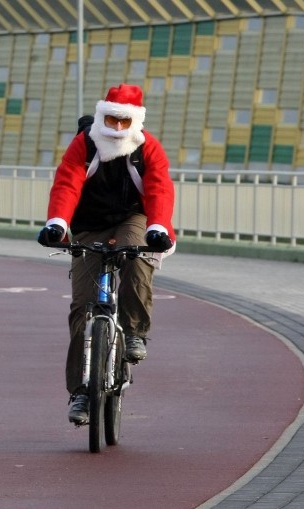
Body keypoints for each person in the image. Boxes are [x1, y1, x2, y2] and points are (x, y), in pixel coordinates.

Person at [36, 83, 176, 426]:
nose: (115, 129)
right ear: (102, 116)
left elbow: (159, 188)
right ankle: (82, 391)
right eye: (111, 120)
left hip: (133, 216)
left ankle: (133, 332)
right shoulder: (84, 144)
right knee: (82, 308)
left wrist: (158, 227)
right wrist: (57, 224)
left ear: (134, 123)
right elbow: (67, 183)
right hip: (89, 223)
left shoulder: (148, 148)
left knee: (135, 256)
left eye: (123, 123)